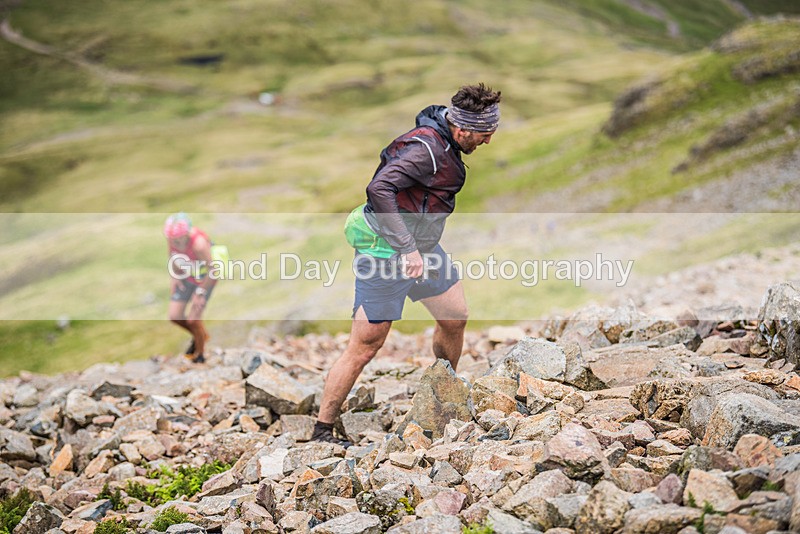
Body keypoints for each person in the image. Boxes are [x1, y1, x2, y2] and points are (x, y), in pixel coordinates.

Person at [312, 83, 502, 446]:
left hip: (422, 247)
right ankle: (322, 429)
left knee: (454, 316)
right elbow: (379, 189)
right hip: (386, 253)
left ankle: (444, 390)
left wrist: (418, 249)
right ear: (462, 128)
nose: (487, 141)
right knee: (366, 345)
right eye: (484, 134)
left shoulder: (446, 141)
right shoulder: (425, 151)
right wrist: (407, 249)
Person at [164, 213, 216, 363]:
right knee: (175, 316)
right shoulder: (171, 239)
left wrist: (200, 292)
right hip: (186, 276)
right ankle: (201, 335)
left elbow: (213, 271)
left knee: (194, 320)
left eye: (179, 238)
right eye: (172, 239)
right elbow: (172, 256)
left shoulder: (198, 244)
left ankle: (199, 354)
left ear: (186, 234)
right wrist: (174, 276)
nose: (175, 242)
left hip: (205, 279)